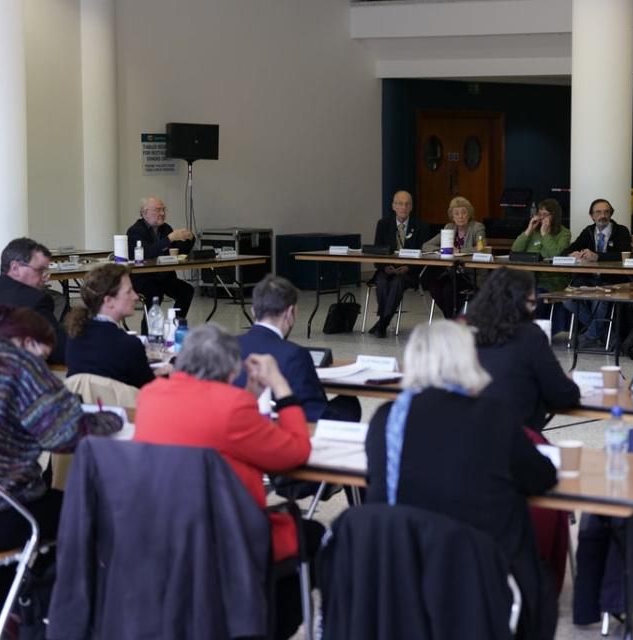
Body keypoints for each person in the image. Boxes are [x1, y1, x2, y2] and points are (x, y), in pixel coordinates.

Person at [365, 320, 558, 639]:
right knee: (542, 575)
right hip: (479, 580)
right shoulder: (493, 416)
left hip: (399, 575)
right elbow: (541, 478)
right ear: (467, 359)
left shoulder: (386, 418)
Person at [133, 324, 317, 639]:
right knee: (316, 536)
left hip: (163, 530)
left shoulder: (151, 395)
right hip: (228, 534)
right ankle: (269, 626)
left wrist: (250, 397)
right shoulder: (232, 408)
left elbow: (215, 422)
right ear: (231, 372)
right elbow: (296, 453)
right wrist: (281, 387)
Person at [0, 304, 122, 617]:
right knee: (94, 509)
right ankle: (66, 609)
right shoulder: (20, 365)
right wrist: (110, 420)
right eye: (43, 357)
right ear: (27, 342)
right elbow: (64, 436)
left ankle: (4, 604)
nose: (43, 364)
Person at [466, 268, 580, 432]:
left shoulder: (467, 331)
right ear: (519, 302)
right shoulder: (529, 335)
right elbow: (563, 394)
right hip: (515, 436)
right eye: (532, 304)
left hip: (469, 430)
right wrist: (569, 383)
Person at [233, 274, 360, 422]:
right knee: (349, 403)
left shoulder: (227, 346)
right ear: (290, 312)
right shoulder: (295, 354)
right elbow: (314, 411)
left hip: (239, 422)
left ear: (253, 310)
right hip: (285, 424)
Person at [64, 263, 166, 389]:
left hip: (84, 407)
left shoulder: (74, 337)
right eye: (129, 292)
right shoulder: (129, 345)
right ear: (109, 301)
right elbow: (149, 387)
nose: (135, 296)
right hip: (128, 407)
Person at [0, 237, 66, 364]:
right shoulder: (36, 300)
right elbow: (58, 350)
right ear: (15, 268)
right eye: (40, 270)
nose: (45, 277)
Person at [562, 198, 633, 348]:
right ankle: (606, 332)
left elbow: (625, 254)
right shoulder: (588, 231)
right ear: (592, 216)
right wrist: (572, 255)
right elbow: (566, 251)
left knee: (598, 300)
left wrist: (598, 256)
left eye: (606, 212)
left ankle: (590, 336)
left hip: (612, 281)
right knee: (567, 300)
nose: (603, 215)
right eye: (598, 212)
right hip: (588, 280)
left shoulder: (621, 231)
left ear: (611, 214)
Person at [368, 191, 431, 337]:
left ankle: (382, 323)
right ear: (393, 206)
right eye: (400, 203)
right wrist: (384, 267)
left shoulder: (421, 226)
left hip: (409, 272)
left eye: (407, 204)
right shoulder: (383, 224)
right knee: (382, 282)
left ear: (411, 207)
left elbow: (425, 255)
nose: (403, 207)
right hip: (386, 269)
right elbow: (376, 251)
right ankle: (384, 321)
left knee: (397, 282)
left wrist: (409, 267)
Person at [126, 196, 196, 318]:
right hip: (143, 278)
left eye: (163, 210)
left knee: (186, 291)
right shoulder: (135, 231)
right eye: (157, 210)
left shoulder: (166, 228)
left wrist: (189, 238)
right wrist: (170, 238)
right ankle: (149, 333)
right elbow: (147, 253)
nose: (162, 213)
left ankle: (175, 325)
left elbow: (178, 253)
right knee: (155, 294)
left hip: (163, 276)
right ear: (144, 212)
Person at [511, 198, 573, 329]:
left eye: (546, 214)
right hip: (528, 280)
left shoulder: (564, 233)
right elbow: (515, 250)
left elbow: (555, 255)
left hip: (551, 281)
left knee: (535, 301)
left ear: (554, 216)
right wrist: (528, 230)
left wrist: (545, 235)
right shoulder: (533, 231)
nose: (542, 217)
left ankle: (533, 333)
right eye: (540, 214)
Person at [419, 196, 485, 318]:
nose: (460, 216)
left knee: (448, 289)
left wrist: (460, 251)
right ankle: (451, 319)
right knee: (434, 286)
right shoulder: (449, 228)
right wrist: (442, 250)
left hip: (470, 275)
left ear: (469, 214)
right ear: (452, 216)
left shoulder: (477, 227)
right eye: (457, 213)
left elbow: (481, 247)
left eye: (464, 213)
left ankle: (452, 321)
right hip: (451, 273)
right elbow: (426, 245)